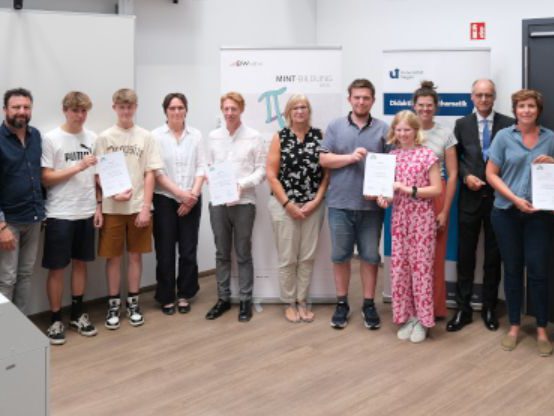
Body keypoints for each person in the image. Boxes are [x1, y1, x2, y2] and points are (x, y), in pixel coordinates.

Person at [486, 89, 554, 357]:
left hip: (539, 215)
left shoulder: (550, 138)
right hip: (506, 213)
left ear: (538, 110)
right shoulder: (504, 137)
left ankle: (541, 329)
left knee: (538, 272)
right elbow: (491, 174)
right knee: (512, 270)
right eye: (521, 106)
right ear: (515, 110)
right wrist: (515, 199)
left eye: (531, 106)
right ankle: (514, 326)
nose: (526, 110)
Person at [320, 79, 388, 330]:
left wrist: (384, 192)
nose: (361, 102)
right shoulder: (335, 126)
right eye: (357, 97)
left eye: (366, 98)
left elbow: (391, 165)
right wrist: (350, 158)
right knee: (340, 256)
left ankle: (369, 304)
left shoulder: (383, 128)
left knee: (370, 257)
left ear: (373, 100)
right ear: (349, 99)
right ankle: (342, 303)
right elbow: (324, 159)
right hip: (340, 204)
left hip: (371, 208)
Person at [447, 79, 514, 332]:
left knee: (493, 257)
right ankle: (463, 309)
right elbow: (457, 159)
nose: (484, 99)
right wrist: (466, 176)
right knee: (465, 256)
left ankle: (489, 308)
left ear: (494, 97)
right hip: (469, 198)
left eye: (488, 95)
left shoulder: (509, 124)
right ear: (472, 97)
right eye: (479, 95)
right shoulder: (461, 124)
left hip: (499, 200)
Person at [95, 88, 163, 330]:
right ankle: (113, 305)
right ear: (114, 107)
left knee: (135, 256)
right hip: (113, 208)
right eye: (122, 107)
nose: (126, 111)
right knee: (113, 258)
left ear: (135, 108)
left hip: (137, 207)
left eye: (130, 107)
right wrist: (111, 194)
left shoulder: (146, 136)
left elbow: (150, 173)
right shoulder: (104, 137)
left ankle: (133, 303)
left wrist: (146, 207)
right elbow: (98, 173)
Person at [41, 91, 102, 345]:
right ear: (65, 110)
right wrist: (78, 166)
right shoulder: (51, 138)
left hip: (86, 211)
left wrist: (98, 206)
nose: (80, 115)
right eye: (75, 110)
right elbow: (46, 177)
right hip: (60, 212)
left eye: (84, 111)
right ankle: (55, 319)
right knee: (57, 268)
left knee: (80, 264)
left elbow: (97, 178)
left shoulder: (93, 138)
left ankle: (77, 314)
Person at [377, 110, 441, 343]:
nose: (403, 133)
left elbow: (436, 189)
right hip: (399, 220)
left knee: (421, 270)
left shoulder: (427, 155)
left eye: (407, 129)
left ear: (416, 131)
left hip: (422, 220)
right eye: (399, 129)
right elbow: (389, 192)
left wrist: (409, 189)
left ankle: (423, 321)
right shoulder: (391, 156)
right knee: (401, 270)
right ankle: (409, 317)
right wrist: (384, 198)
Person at [266, 94, 329, 323]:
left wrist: (316, 200)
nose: (300, 111)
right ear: (288, 113)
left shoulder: (320, 136)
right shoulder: (280, 137)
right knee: (287, 258)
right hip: (284, 206)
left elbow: (326, 174)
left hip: (313, 206)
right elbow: (271, 175)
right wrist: (288, 204)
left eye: (303, 107)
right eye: (295, 108)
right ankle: (289, 303)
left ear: (308, 111)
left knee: (307, 257)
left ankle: (302, 301)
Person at [205, 92, 265, 322]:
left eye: (234, 109)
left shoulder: (254, 137)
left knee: (243, 253)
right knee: (221, 253)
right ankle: (223, 299)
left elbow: (261, 170)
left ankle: (245, 300)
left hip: (244, 203)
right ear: (222, 110)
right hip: (218, 202)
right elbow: (208, 165)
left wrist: (242, 184)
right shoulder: (213, 137)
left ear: (241, 110)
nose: (229, 113)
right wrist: (210, 176)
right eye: (226, 109)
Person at [152, 93, 205, 315]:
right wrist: (180, 194)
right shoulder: (155, 136)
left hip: (192, 198)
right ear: (165, 111)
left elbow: (202, 167)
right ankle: (166, 296)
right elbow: (157, 172)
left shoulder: (196, 135)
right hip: (164, 199)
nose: (176, 111)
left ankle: (185, 293)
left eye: (180, 107)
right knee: (165, 251)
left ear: (186, 110)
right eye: (172, 108)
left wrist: (192, 196)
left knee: (188, 250)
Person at [413, 80, 458, 319]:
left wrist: (445, 211)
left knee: (434, 257)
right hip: (409, 198)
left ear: (436, 107)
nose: (425, 109)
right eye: (421, 105)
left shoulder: (445, 133)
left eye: (429, 105)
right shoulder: (405, 129)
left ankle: (433, 308)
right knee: (411, 258)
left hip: (436, 198)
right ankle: (412, 309)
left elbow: (453, 174)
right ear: (414, 106)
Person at [0, 88, 45, 314]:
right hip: (9, 222)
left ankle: (21, 327)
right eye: (16, 107)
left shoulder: (35, 136)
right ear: (5, 110)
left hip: (34, 218)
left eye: (26, 107)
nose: (22, 111)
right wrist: (1, 226)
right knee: (6, 279)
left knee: (25, 275)